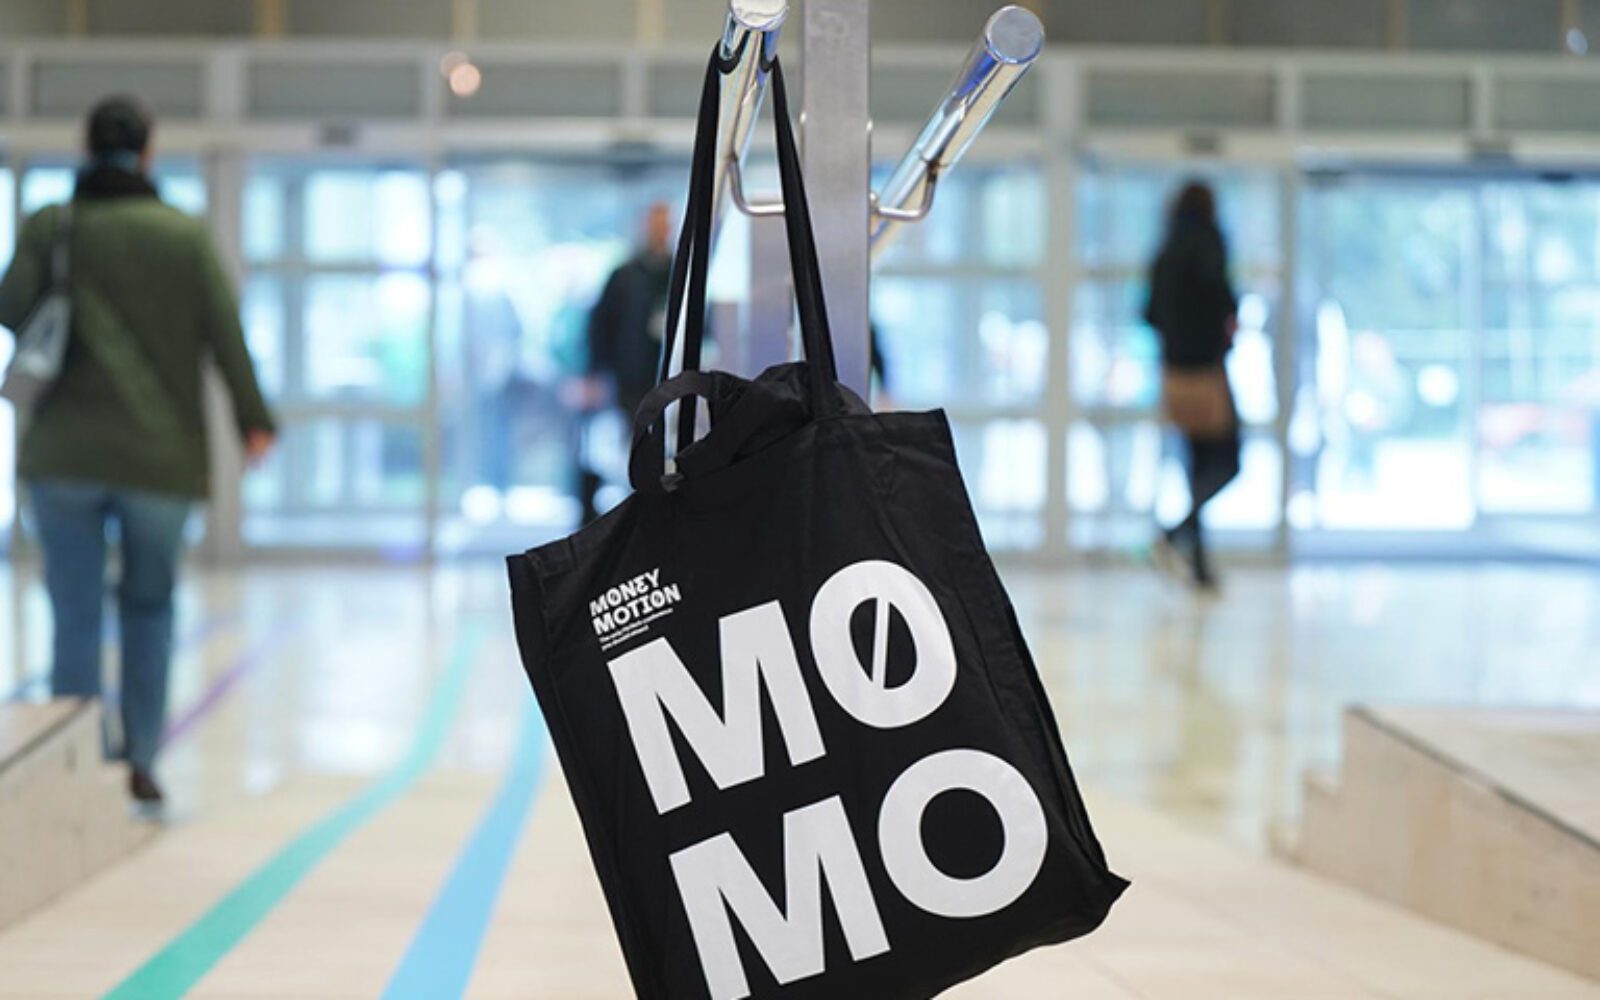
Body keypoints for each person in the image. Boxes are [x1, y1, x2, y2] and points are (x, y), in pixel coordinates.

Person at [0, 95, 276, 806]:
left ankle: (75, 763)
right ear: (149, 152)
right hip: (160, 459)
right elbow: (226, 332)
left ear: (86, 148)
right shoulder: (183, 237)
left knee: (75, 613)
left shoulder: (53, 225)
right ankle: (141, 759)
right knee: (149, 608)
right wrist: (254, 419)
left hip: (63, 455)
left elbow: (9, 306)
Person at [1144, 180, 1240, 590]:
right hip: (1206, 371)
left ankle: (1198, 566)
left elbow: (1148, 313)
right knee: (1229, 462)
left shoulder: (1165, 251)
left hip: (1174, 373)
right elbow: (1225, 302)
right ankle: (1173, 534)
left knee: (1196, 468)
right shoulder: (1210, 243)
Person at [576, 202, 673, 524]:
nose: (660, 231)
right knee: (632, 439)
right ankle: (634, 508)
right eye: (656, 223)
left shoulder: (679, 271)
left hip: (667, 374)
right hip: (630, 375)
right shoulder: (625, 275)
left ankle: (655, 509)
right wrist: (593, 373)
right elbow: (601, 325)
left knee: (662, 441)